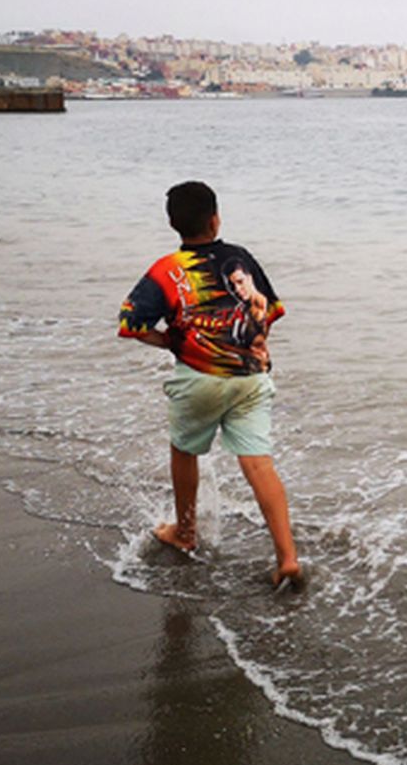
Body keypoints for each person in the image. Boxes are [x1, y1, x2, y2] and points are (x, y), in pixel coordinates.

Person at [118, 180, 303, 591]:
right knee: (258, 463)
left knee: (185, 449)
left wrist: (171, 341)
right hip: (251, 377)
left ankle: (185, 532)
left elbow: (131, 324)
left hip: (198, 379)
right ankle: (288, 557)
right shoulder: (241, 258)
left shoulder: (166, 270)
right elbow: (270, 312)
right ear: (216, 219)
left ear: (173, 223)